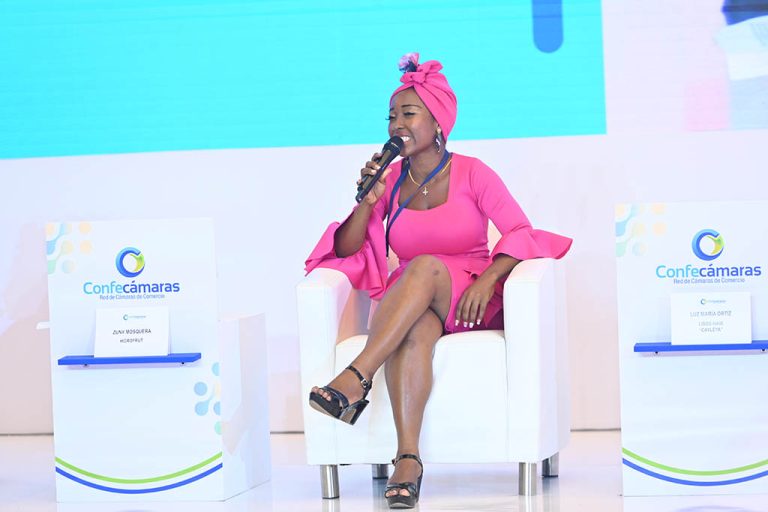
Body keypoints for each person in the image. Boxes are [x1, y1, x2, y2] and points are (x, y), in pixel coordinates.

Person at [305, 53, 572, 509]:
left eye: (408, 114)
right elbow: (348, 249)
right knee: (412, 336)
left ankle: (356, 377)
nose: (397, 124)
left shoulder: (473, 172)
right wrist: (367, 201)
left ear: (437, 121)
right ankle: (407, 461)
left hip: (467, 296)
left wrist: (489, 279)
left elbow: (520, 230)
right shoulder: (390, 179)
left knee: (424, 265)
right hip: (412, 300)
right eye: (392, 116)